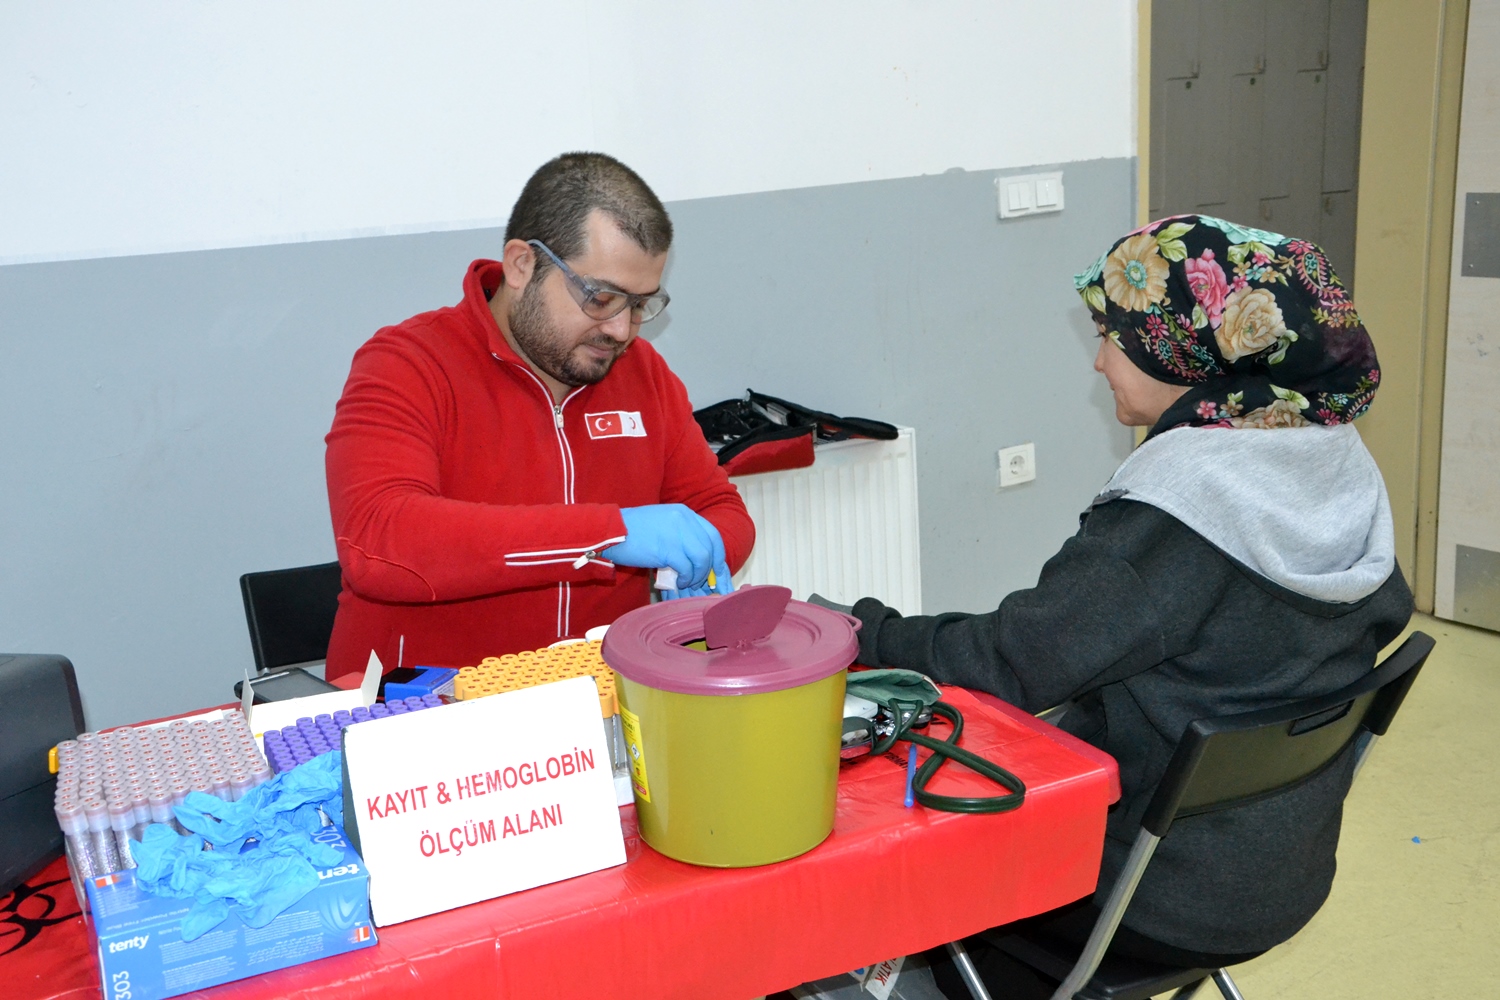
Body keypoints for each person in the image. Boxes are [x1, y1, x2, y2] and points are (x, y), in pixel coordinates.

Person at [844, 216, 1413, 998]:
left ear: (1190, 349)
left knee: (880, 853)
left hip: (1145, 897)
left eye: (1115, 335)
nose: (1103, 361)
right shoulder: (1331, 463)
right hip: (1278, 871)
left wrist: (857, 630)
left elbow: (1006, 661)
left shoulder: (1176, 518)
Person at [323, 152, 753, 681]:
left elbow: (719, 509)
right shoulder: (408, 363)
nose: (621, 331)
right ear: (523, 264)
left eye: (639, 305)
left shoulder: (642, 374)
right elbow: (380, 538)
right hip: (423, 712)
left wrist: (698, 553)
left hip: (596, 706)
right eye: (600, 298)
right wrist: (604, 535)